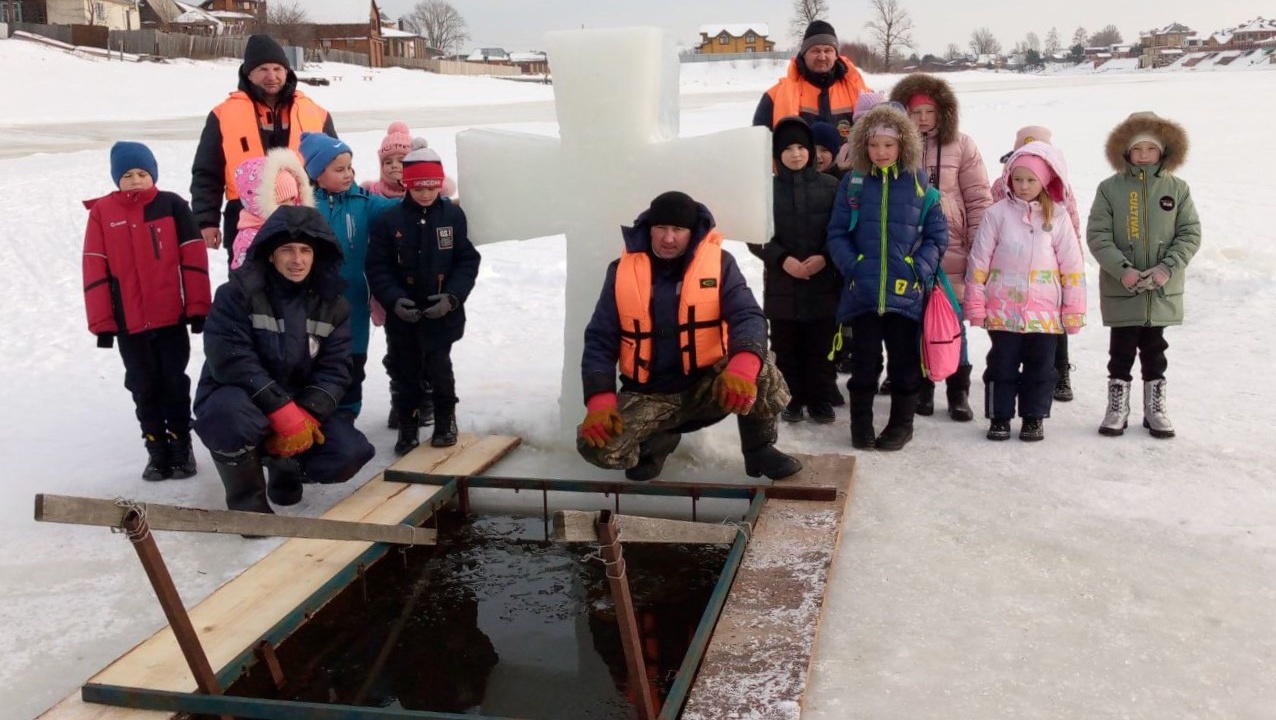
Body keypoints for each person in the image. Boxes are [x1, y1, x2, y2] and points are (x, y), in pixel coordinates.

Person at [577, 191, 803, 482]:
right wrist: (599, 399)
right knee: (596, 446)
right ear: (649, 229)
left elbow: (748, 316)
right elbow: (600, 338)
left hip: (710, 386)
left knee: (760, 368)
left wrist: (741, 368)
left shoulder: (720, 263)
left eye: (678, 229)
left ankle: (759, 449)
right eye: (661, 228)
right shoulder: (620, 271)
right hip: (650, 394)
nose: (668, 238)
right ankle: (655, 445)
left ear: (692, 231)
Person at [193, 205, 375, 515]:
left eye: (305, 250)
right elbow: (231, 360)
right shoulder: (236, 295)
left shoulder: (333, 304)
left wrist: (308, 415)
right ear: (270, 254)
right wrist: (281, 411)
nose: (297, 259)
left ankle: (284, 464)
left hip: (300, 399)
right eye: (287, 250)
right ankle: (248, 505)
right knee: (229, 416)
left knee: (350, 452)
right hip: (241, 397)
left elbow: (336, 369)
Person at [83, 141, 211, 481]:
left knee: (173, 382)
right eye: (127, 175)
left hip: (170, 318)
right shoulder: (102, 212)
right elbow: (94, 267)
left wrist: (197, 307)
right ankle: (156, 448)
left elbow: (193, 258)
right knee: (142, 385)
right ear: (116, 179)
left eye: (142, 173)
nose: (136, 180)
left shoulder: (172, 205)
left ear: (153, 174)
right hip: (130, 323)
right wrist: (102, 322)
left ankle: (181, 445)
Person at [826, 104, 948, 451]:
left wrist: (917, 268)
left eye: (888, 145)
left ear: (903, 145)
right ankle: (860, 424)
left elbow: (938, 237)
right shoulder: (853, 184)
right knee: (864, 363)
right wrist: (854, 265)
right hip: (863, 291)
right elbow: (837, 233)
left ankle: (901, 425)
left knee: (904, 362)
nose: (880, 152)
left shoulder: (920, 185)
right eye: (874, 144)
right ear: (863, 145)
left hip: (905, 292)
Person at [1087, 112, 1201, 439]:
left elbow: (1190, 233)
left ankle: (1155, 408)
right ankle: (1117, 408)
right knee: (1120, 351)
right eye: (1137, 149)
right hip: (1123, 288)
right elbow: (1098, 235)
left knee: (1155, 351)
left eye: (1151, 149)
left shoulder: (1177, 189)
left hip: (1160, 289)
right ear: (1125, 150)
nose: (1143, 155)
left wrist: (1166, 268)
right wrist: (1123, 270)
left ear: (1163, 151)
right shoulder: (1109, 189)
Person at [888, 73, 993, 421]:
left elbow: (978, 197)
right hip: (908, 249)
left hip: (953, 247)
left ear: (943, 112)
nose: (922, 119)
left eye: (929, 111)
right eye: (915, 112)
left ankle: (957, 389)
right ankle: (924, 385)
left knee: (950, 321)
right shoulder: (895, 146)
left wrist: (978, 245)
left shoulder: (962, 145)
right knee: (915, 322)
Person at [965, 142, 1086, 442]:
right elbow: (979, 262)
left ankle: (1034, 417)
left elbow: (1072, 268)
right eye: (1017, 179)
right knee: (1001, 365)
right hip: (1002, 311)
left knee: (1041, 369)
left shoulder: (1057, 217)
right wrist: (976, 304)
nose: (1023, 186)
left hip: (1044, 315)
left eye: (1031, 180)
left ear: (1044, 181)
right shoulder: (997, 214)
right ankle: (999, 417)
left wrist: (1072, 311)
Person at [367, 147, 481, 454]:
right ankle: (408, 424)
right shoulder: (390, 220)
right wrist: (394, 300)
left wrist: (452, 298)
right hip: (404, 317)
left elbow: (466, 261)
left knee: (439, 369)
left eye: (432, 187)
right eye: (419, 188)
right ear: (407, 185)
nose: (426, 194)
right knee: (406, 371)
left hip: (440, 314)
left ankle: (445, 419)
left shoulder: (452, 216)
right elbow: (377, 266)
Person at [191, 34, 336, 259]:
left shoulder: (315, 112)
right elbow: (207, 172)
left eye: (278, 69)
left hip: (303, 214)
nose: (272, 76)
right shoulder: (223, 115)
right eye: (263, 69)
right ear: (248, 73)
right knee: (248, 279)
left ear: (287, 71)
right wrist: (206, 221)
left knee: (300, 276)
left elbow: (335, 164)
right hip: (245, 217)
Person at [299, 131, 398, 418]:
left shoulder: (364, 202)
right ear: (317, 174)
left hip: (354, 301)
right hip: (315, 304)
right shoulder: (305, 207)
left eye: (350, 167)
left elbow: (398, 209)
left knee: (354, 362)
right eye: (339, 169)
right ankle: (317, 416)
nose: (348, 174)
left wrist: (439, 201)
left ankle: (347, 417)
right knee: (317, 361)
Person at [758, 117, 841, 425]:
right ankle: (790, 399)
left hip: (822, 282)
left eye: (801, 148)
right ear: (776, 154)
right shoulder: (766, 190)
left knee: (820, 344)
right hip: (783, 283)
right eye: (787, 149)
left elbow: (842, 230)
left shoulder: (830, 187)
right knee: (785, 345)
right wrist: (782, 259)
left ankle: (820, 398)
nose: (795, 154)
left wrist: (825, 257)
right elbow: (757, 235)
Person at [995, 125, 1083, 402]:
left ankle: (1061, 369)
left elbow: (1072, 225)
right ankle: (1016, 371)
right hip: (1012, 270)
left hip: (1048, 271)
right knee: (1012, 326)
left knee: (1052, 324)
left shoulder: (1060, 189)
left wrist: (1073, 265)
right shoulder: (1001, 186)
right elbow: (993, 219)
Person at [752, 20, 870, 138]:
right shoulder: (774, 97)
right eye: (815, 51)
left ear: (836, 55)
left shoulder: (863, 95)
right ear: (804, 54)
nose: (822, 57)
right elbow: (758, 144)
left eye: (828, 50)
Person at [228, 147, 314, 270]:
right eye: (282, 202)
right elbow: (245, 276)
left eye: (292, 199)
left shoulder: (294, 227)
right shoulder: (250, 238)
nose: (290, 206)